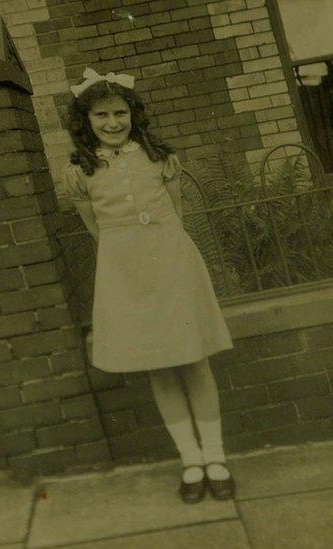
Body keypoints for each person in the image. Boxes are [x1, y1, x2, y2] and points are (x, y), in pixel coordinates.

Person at [61, 68, 236, 502]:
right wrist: (127, 264)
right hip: (125, 271)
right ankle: (191, 461)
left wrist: (159, 250)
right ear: (86, 119)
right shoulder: (80, 171)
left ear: (133, 114)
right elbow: (95, 229)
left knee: (194, 359)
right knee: (160, 366)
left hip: (171, 263)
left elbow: (174, 215)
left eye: (120, 112)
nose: (113, 123)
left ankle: (216, 457)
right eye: (102, 115)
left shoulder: (160, 157)